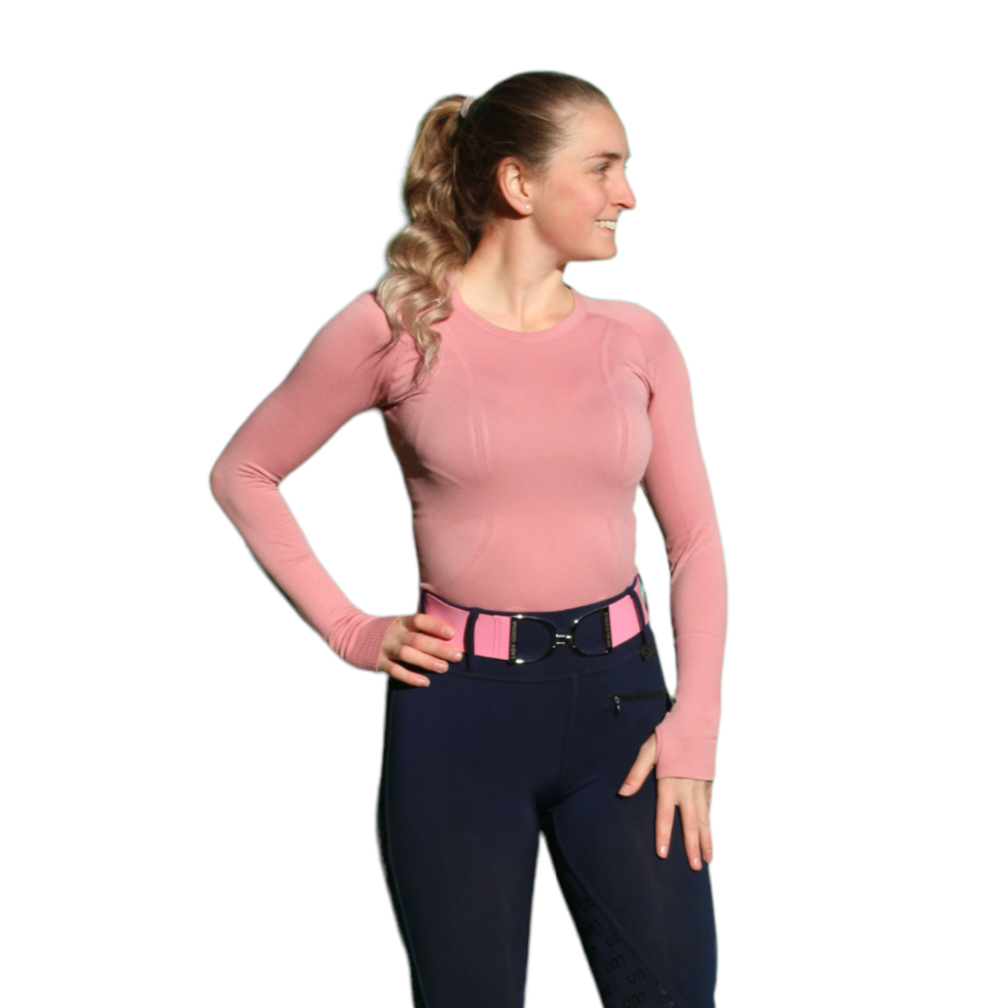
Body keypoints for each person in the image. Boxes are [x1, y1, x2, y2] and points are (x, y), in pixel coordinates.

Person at [210, 70, 727, 1008]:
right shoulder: (395, 328)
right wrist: (350, 629)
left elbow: (692, 540)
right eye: (602, 167)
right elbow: (244, 470)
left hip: (623, 715)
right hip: (459, 722)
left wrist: (694, 726)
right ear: (518, 183)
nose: (627, 194)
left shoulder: (637, 340)